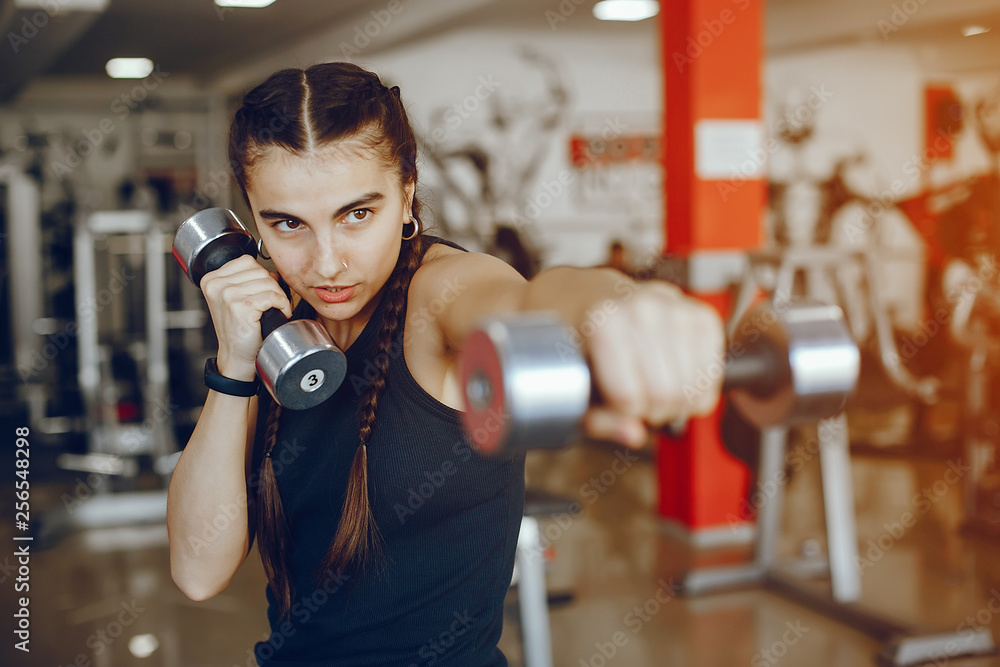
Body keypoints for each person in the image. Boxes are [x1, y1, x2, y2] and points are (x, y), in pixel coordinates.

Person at [166, 62, 724, 667]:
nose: (327, 264)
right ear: (251, 219)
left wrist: (617, 303)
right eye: (288, 224)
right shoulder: (279, 331)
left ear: (406, 192)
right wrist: (235, 362)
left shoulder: (439, 296)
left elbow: (530, 299)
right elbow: (198, 570)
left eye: (357, 214)